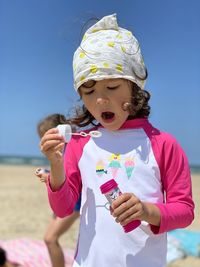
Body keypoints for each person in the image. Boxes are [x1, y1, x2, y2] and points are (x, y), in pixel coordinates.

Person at [40, 14, 194, 267]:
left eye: (112, 88)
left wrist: (147, 211)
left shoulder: (163, 144)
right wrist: (56, 166)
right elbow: (63, 209)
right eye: (89, 92)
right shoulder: (81, 144)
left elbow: (185, 211)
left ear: (134, 87)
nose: (100, 100)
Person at [35, 114, 80, 267]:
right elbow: (60, 172)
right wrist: (48, 174)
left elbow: (70, 176)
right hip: (65, 202)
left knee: (50, 238)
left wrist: (48, 176)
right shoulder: (62, 150)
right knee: (49, 238)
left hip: (75, 204)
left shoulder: (71, 149)